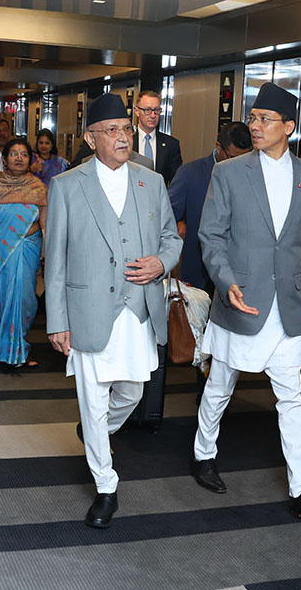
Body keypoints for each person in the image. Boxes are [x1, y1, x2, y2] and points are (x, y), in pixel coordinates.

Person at [191, 82, 301, 524]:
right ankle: (203, 454)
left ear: (288, 127)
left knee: (292, 397)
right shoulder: (229, 173)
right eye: (252, 118)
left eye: (265, 119)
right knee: (221, 385)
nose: (254, 126)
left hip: (288, 305)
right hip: (242, 299)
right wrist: (226, 281)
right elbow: (211, 235)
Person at [45, 93, 181, 528]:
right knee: (92, 398)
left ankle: (97, 431)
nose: (123, 137)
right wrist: (57, 321)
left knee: (132, 393)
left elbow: (171, 238)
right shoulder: (67, 185)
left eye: (126, 129)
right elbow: (56, 258)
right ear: (91, 138)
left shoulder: (151, 181)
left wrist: (162, 262)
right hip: (87, 308)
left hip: (137, 308)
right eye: (112, 130)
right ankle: (106, 486)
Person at [0, 138, 47, 367]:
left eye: (24, 154)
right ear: (4, 159)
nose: (19, 158)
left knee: (24, 299)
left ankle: (17, 346)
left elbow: (45, 225)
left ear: (30, 160)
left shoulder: (38, 187)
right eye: (14, 154)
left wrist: (46, 255)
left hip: (27, 250)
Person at [169, 121, 252, 294]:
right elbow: (167, 215)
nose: (239, 163)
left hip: (238, 274)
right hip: (198, 272)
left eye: (245, 157)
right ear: (218, 147)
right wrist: (180, 221)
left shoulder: (253, 176)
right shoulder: (190, 173)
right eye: (233, 157)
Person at [132, 90, 183, 185]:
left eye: (156, 110)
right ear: (137, 111)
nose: (153, 115)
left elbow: (177, 181)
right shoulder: (127, 142)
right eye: (147, 110)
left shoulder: (171, 144)